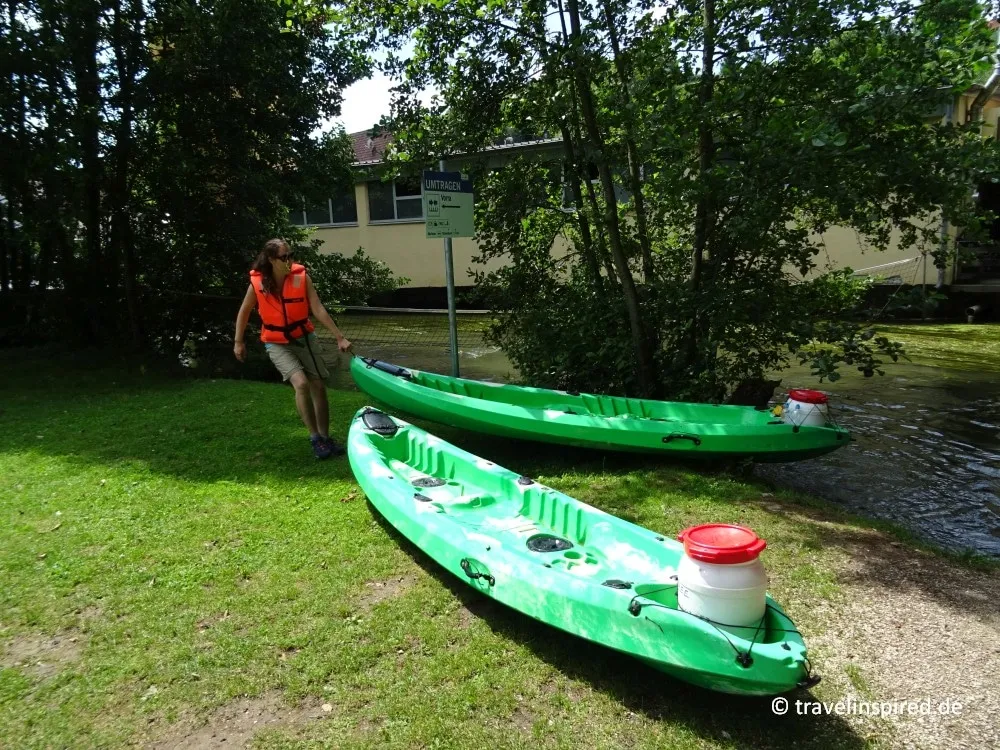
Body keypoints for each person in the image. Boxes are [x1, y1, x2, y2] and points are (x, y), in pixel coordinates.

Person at [234, 238, 352, 459]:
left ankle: (326, 438)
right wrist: (238, 342)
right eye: (284, 257)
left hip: (303, 337)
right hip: (276, 341)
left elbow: (317, 308)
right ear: (271, 260)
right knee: (301, 383)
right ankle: (315, 438)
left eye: (291, 255)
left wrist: (339, 337)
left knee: (318, 385)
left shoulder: (301, 277)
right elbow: (244, 311)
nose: (289, 260)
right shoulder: (257, 283)